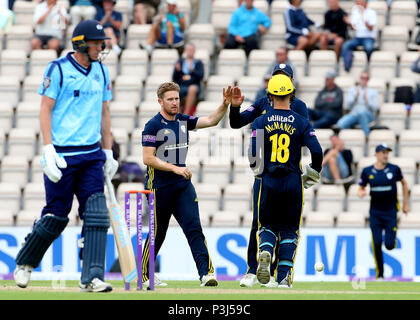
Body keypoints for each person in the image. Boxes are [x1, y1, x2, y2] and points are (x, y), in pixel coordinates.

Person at [13, 20, 118, 292]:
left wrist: (107, 151)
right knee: (57, 216)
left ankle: (92, 276)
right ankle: (25, 262)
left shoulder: (102, 72)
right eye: (96, 43)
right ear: (81, 43)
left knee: (96, 214)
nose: (100, 47)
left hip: (91, 155)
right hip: (63, 155)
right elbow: (45, 109)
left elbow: (105, 113)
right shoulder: (58, 69)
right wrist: (48, 149)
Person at [141, 82, 233, 287]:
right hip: (159, 187)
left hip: (182, 185)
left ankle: (206, 274)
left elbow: (210, 120)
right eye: (170, 99)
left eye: (176, 98)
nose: (175, 103)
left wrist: (224, 105)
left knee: (194, 227)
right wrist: (175, 168)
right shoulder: (153, 125)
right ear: (160, 101)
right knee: (158, 232)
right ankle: (145, 275)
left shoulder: (182, 121)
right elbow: (148, 158)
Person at [229, 63, 309, 288]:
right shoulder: (263, 103)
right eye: (277, 76)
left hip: (284, 173)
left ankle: (275, 274)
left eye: (284, 77)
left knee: (281, 225)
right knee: (259, 222)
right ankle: (253, 271)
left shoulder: (300, 107)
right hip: (264, 176)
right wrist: (235, 107)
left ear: (291, 82)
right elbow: (237, 123)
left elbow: (302, 138)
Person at [249, 74, 323, 287]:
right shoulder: (301, 121)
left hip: (268, 180)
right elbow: (317, 150)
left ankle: (264, 250)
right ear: (291, 94)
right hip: (293, 181)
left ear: (269, 95)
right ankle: (283, 277)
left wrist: (258, 170)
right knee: (290, 229)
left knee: (267, 226)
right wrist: (314, 171)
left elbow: (253, 153)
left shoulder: (260, 120)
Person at [357, 143, 409, 280]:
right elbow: (361, 187)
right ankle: (380, 274)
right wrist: (361, 192)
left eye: (387, 153)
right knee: (377, 242)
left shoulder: (394, 169)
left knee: (390, 245)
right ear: (376, 154)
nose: (386, 155)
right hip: (375, 213)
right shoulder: (367, 171)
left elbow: (404, 183)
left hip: (391, 212)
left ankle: (392, 240)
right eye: (383, 152)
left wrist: (405, 204)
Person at [336, 71, 378, 136]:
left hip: (367, 115)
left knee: (362, 113)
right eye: (362, 78)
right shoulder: (352, 90)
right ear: (359, 79)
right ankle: (352, 136)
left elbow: (375, 108)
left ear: (368, 80)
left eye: (366, 78)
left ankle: (366, 137)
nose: (363, 80)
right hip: (354, 114)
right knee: (341, 124)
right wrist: (355, 98)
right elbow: (347, 107)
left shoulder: (373, 92)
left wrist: (367, 101)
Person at [341, 0, 377, 72]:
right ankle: (347, 62)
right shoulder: (355, 12)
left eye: (359, 2)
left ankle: (368, 64)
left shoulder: (371, 12)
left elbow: (371, 28)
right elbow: (353, 28)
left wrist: (366, 24)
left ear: (365, 3)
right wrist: (348, 23)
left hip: (368, 38)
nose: (357, 3)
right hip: (357, 38)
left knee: (369, 48)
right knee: (345, 46)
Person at [172, 43, 204, 115]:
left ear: (194, 51)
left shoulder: (198, 63)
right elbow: (175, 78)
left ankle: (186, 114)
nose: (190, 51)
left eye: (192, 50)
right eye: (189, 50)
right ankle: (177, 114)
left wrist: (193, 71)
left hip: (194, 85)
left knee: (192, 88)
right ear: (185, 51)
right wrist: (177, 71)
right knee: (173, 90)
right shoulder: (180, 62)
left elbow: (201, 76)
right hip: (181, 85)